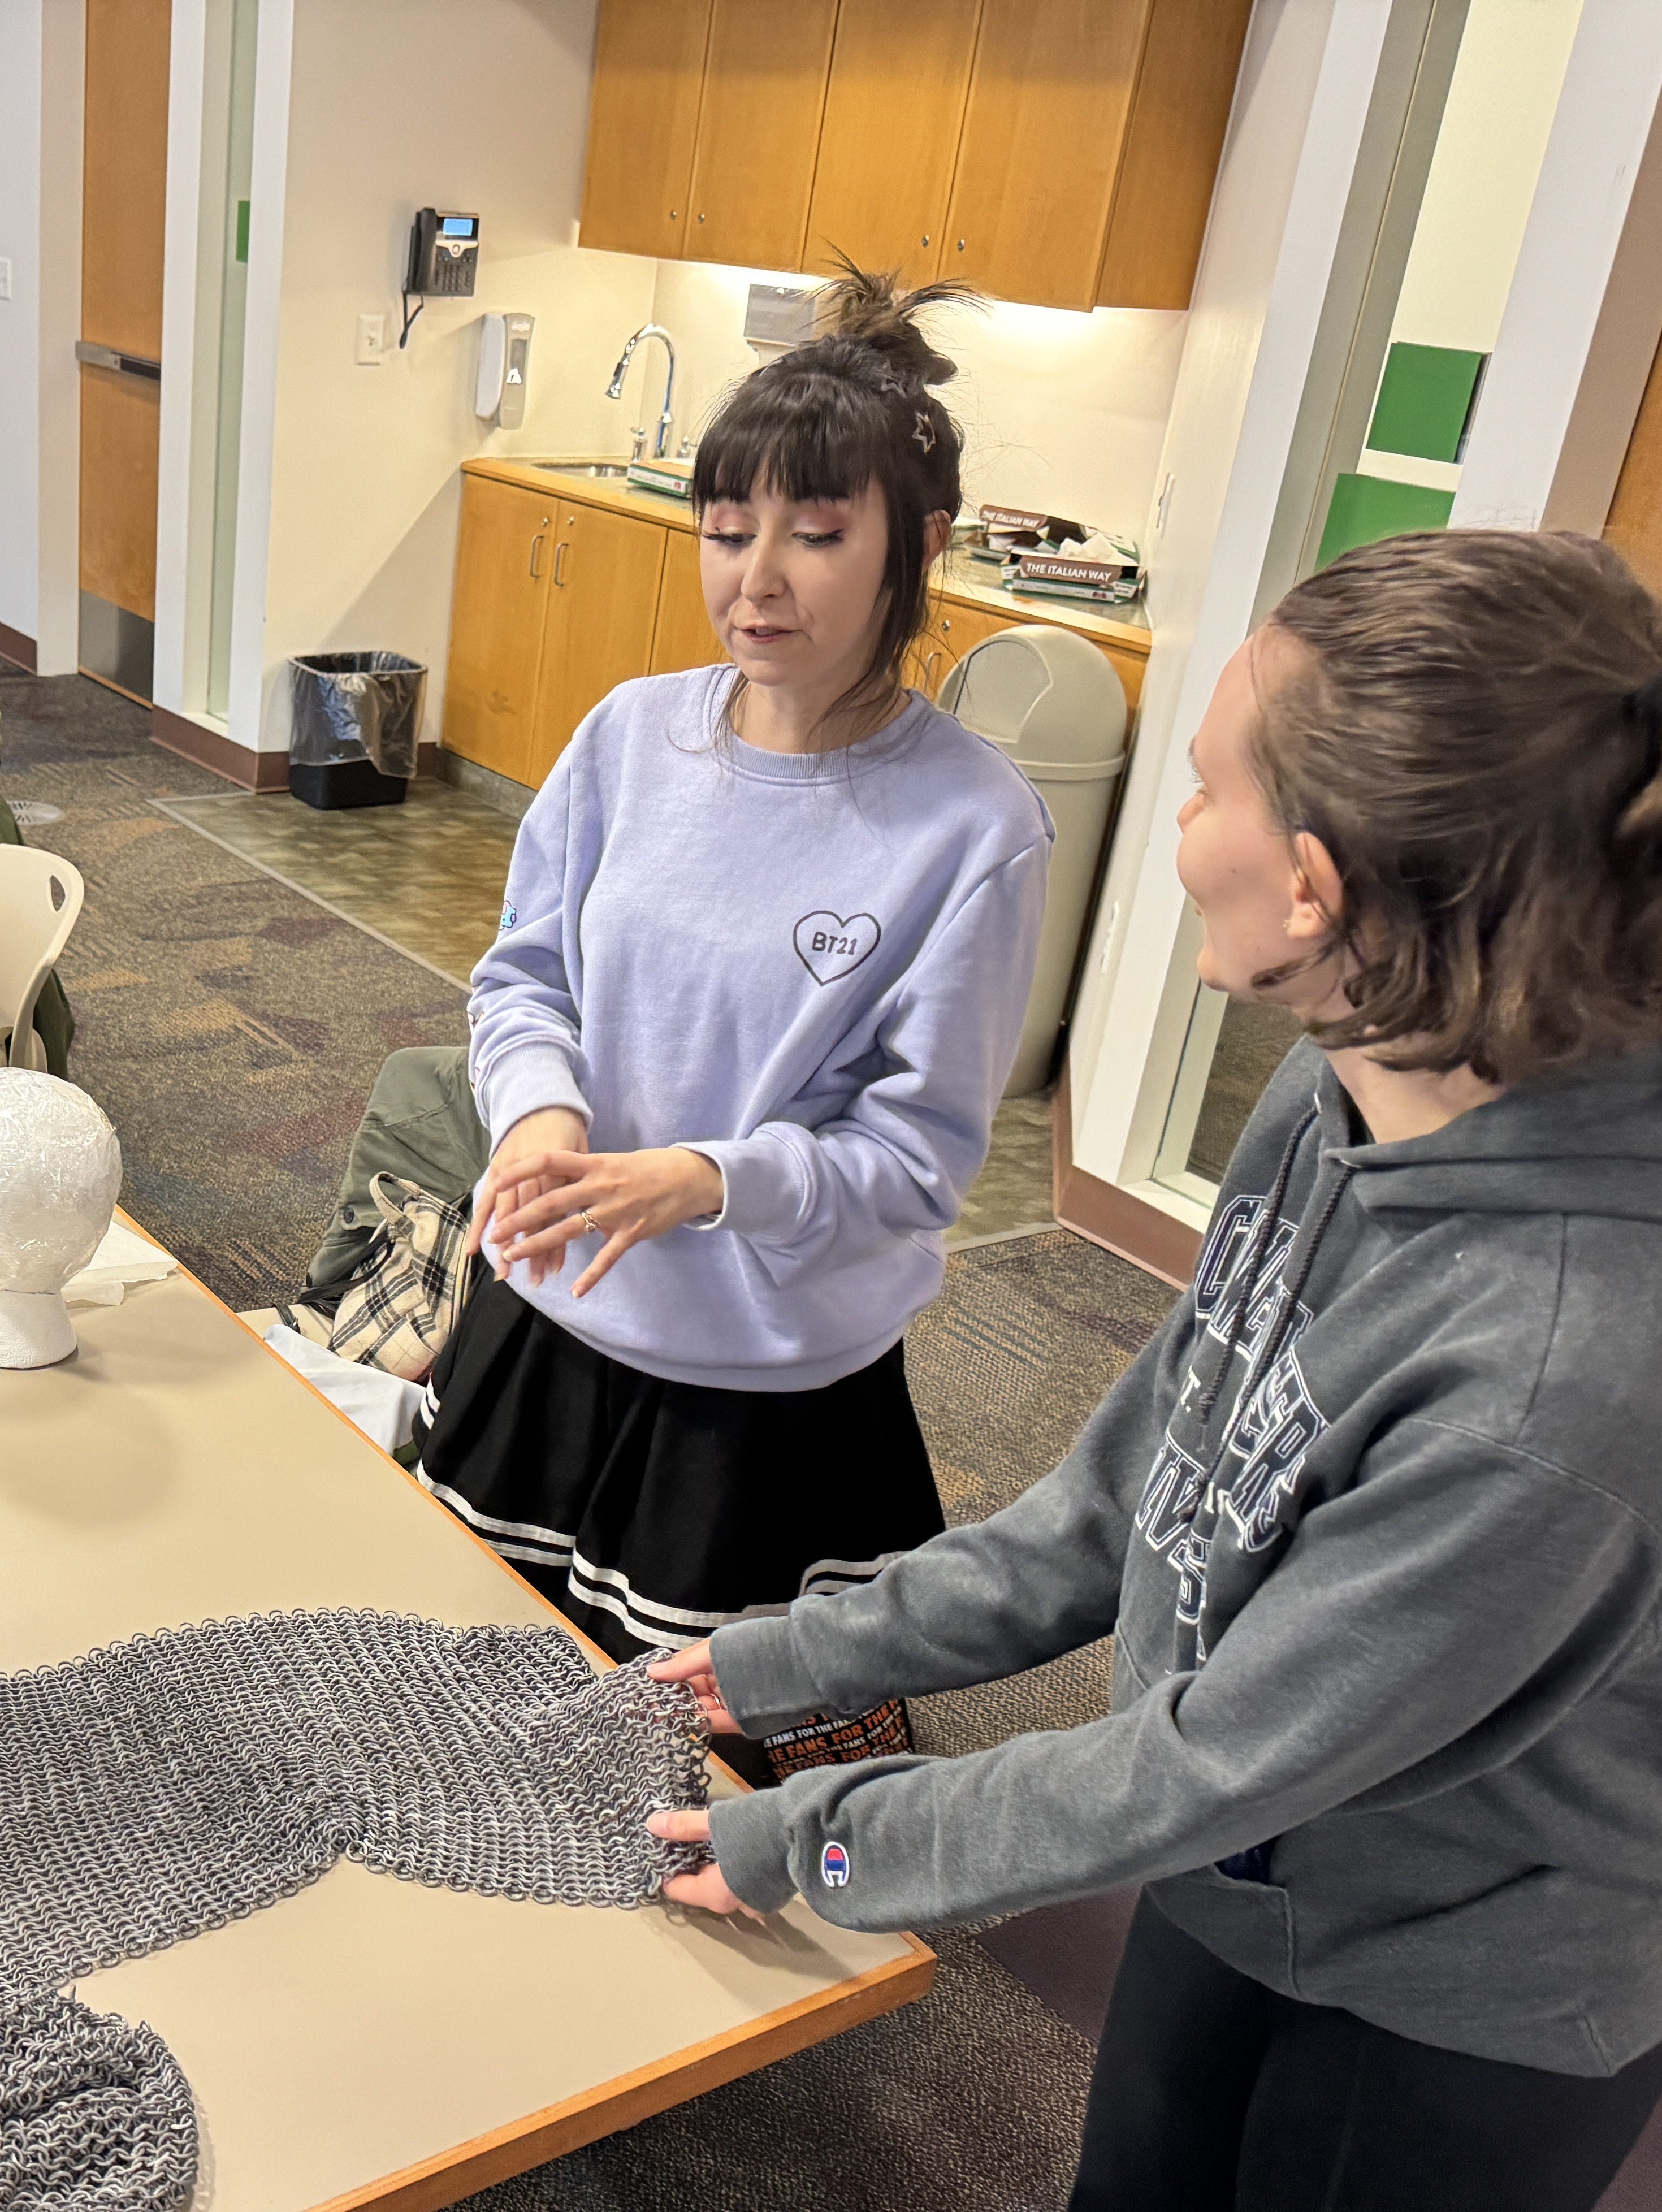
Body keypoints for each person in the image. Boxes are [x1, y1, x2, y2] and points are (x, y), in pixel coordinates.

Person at [650, 529, 1662, 2211]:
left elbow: (1201, 1753)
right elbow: (1127, 1499)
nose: (1171, 834)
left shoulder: (1550, 1372)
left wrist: (821, 1839)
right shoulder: (1340, 1088)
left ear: (1313, 885)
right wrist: (781, 1657)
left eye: (1202, 793)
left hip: (1455, 1992)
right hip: (1240, 1863)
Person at [416, 270, 1050, 1741]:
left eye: (817, 536)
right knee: (486, 1702)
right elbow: (524, 976)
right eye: (725, 531)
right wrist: (539, 1117)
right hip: (554, 1308)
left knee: (714, 1776)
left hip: (759, 1392)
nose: (755, 579)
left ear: (922, 549)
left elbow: (914, 1166)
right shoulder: (628, 736)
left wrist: (705, 1181)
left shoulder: (971, 827)